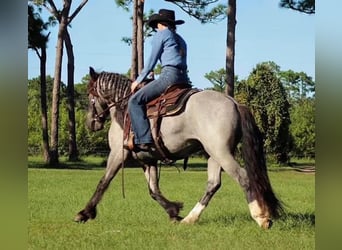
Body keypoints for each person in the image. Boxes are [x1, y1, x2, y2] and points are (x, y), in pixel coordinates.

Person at [127, 9, 189, 152]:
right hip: (183, 78)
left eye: (156, 25)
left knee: (134, 101)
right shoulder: (181, 39)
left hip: (169, 76)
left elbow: (151, 61)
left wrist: (138, 81)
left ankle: (144, 139)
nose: (156, 28)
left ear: (161, 24)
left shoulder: (161, 35)